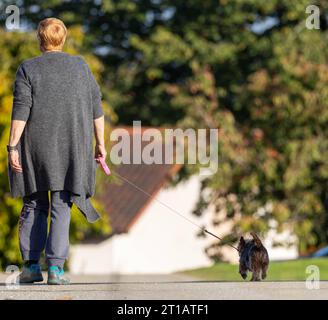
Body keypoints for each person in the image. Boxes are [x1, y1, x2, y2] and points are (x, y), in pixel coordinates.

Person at [7, 17, 107, 285]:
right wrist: (101, 145)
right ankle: (56, 270)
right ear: (62, 39)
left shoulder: (28, 68)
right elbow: (97, 109)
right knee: (61, 204)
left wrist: (12, 146)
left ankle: (30, 267)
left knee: (34, 202)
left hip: (35, 148)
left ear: (40, 39)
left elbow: (20, 111)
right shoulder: (81, 66)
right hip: (71, 147)